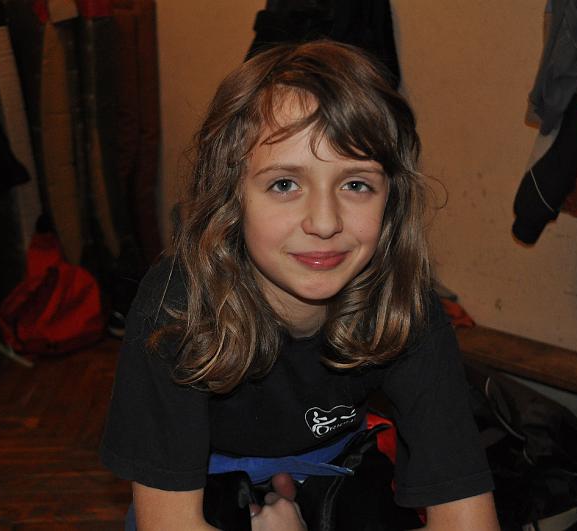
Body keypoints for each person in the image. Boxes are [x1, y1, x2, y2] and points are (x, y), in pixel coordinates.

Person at [100, 40, 499, 530]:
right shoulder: (177, 307)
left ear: (390, 200)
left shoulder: (401, 302)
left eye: (356, 184)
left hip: (336, 473)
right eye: (285, 184)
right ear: (232, 195)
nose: (325, 222)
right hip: (199, 490)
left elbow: (467, 518)